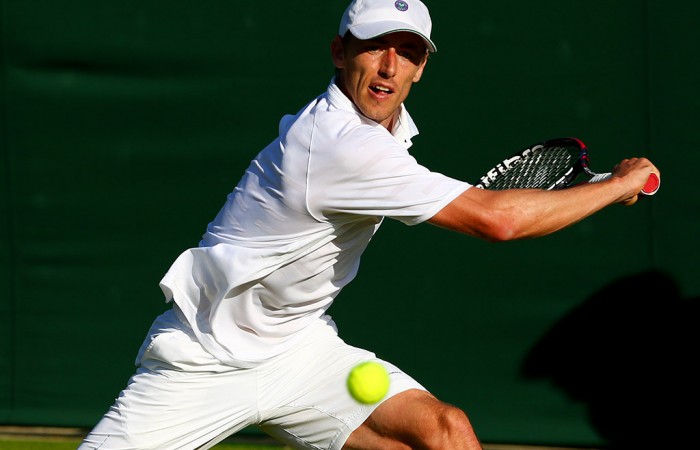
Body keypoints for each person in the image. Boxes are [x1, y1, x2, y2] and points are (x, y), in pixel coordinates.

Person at [80, 0, 660, 449]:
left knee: (443, 431)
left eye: (407, 52)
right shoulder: (336, 143)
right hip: (207, 357)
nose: (388, 66)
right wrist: (618, 184)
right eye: (374, 46)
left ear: (421, 67)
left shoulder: (390, 133)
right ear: (340, 52)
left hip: (301, 351)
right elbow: (498, 221)